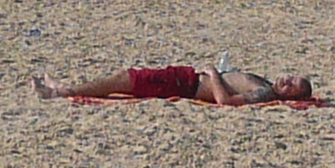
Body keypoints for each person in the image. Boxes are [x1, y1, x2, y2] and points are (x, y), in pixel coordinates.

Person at [34, 62, 312, 104]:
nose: (286, 80)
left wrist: (214, 74)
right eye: (291, 77)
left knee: (125, 79)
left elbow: (226, 103)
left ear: (291, 98)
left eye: (291, 86)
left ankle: (60, 91)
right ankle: (62, 88)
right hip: (186, 78)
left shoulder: (263, 93)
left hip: (184, 86)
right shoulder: (266, 83)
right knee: (125, 77)